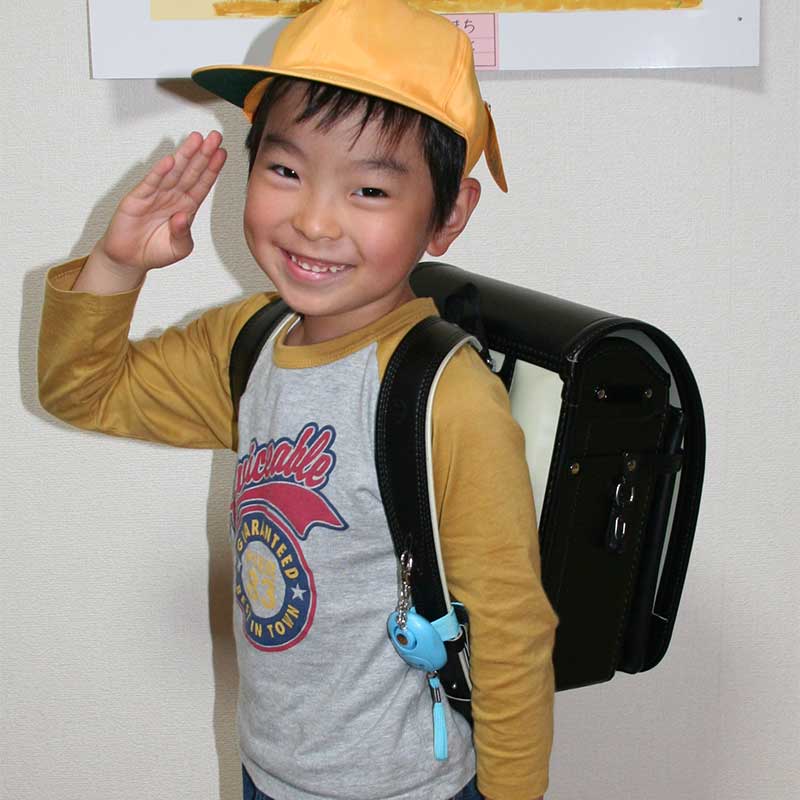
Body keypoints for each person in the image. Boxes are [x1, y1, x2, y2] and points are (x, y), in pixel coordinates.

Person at [38, 1, 557, 798]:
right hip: (269, 772)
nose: (314, 221)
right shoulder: (249, 344)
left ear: (448, 215)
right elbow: (83, 391)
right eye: (286, 171)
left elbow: (511, 629)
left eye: (370, 189)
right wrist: (118, 265)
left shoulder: (447, 399)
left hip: (404, 787)